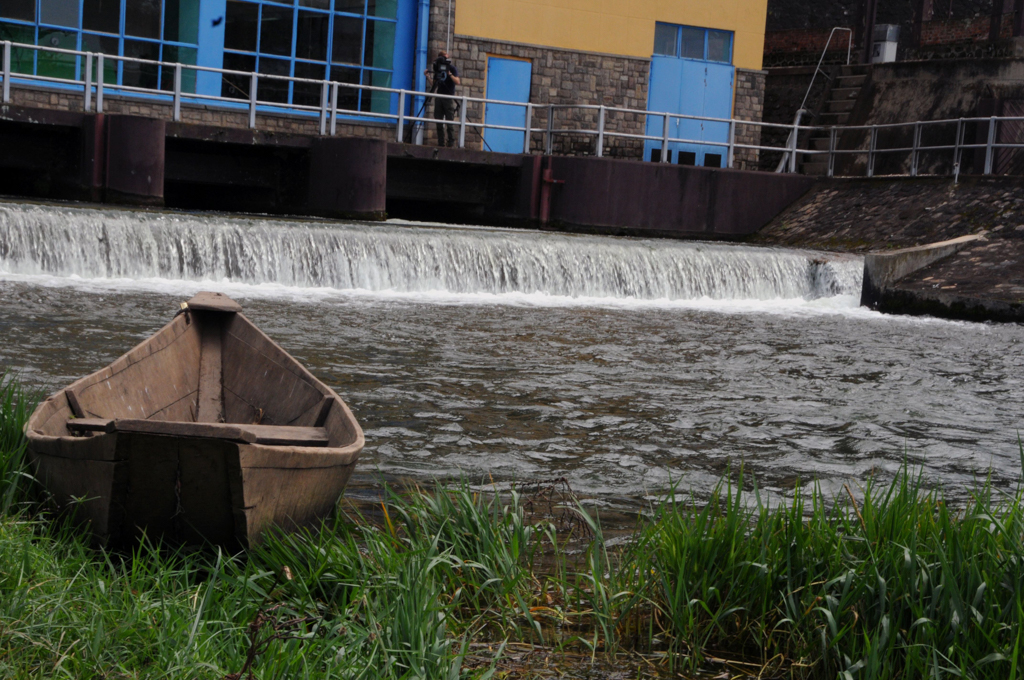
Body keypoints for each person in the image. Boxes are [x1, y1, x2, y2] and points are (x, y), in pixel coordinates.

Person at [425, 50, 461, 147]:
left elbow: (457, 81)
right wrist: (428, 76)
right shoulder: (438, 69)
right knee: (439, 121)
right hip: (439, 97)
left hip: (448, 97)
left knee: (449, 121)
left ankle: (451, 143)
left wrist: (449, 74)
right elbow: (434, 84)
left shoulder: (452, 68)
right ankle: (441, 143)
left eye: (445, 57)